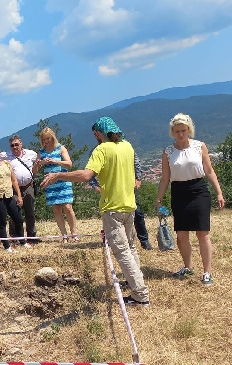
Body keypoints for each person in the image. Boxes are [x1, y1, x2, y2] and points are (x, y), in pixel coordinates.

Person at [42, 117, 149, 306]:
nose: (95, 137)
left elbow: (86, 175)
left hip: (112, 208)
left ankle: (140, 294)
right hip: (130, 205)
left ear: (100, 133)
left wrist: (58, 175)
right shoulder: (127, 146)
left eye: (95, 134)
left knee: (122, 251)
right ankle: (133, 282)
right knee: (130, 247)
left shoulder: (102, 150)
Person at [156, 113, 225, 286]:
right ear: (173, 131)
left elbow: (209, 171)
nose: (181, 134)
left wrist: (219, 192)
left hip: (199, 191)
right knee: (181, 235)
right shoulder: (168, 152)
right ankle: (188, 267)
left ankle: (207, 272)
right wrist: (159, 199)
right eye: (177, 131)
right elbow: (165, 178)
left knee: (202, 233)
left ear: (189, 130)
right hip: (178, 192)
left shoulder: (199, 146)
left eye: (184, 130)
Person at [88, 152, 152, 249]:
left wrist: (138, 178)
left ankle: (144, 241)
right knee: (111, 215)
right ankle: (112, 240)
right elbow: (89, 171)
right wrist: (95, 185)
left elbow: (136, 162)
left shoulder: (125, 146)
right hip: (109, 189)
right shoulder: (97, 151)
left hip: (127, 187)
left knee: (137, 212)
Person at [33, 127, 79, 242]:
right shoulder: (41, 152)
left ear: (52, 137)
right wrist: (39, 163)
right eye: (44, 139)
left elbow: (69, 164)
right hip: (50, 183)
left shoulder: (60, 148)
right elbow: (34, 171)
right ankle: (64, 235)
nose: (46, 141)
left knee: (68, 207)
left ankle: (74, 233)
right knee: (56, 209)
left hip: (63, 180)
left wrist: (55, 161)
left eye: (48, 138)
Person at [1, 135, 38, 244]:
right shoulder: (5, 155)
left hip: (28, 187)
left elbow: (39, 162)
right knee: (14, 211)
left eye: (17, 144)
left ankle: (31, 235)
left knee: (30, 211)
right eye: (12, 145)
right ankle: (14, 235)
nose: (15, 147)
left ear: (21, 144)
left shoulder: (31, 154)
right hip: (13, 188)